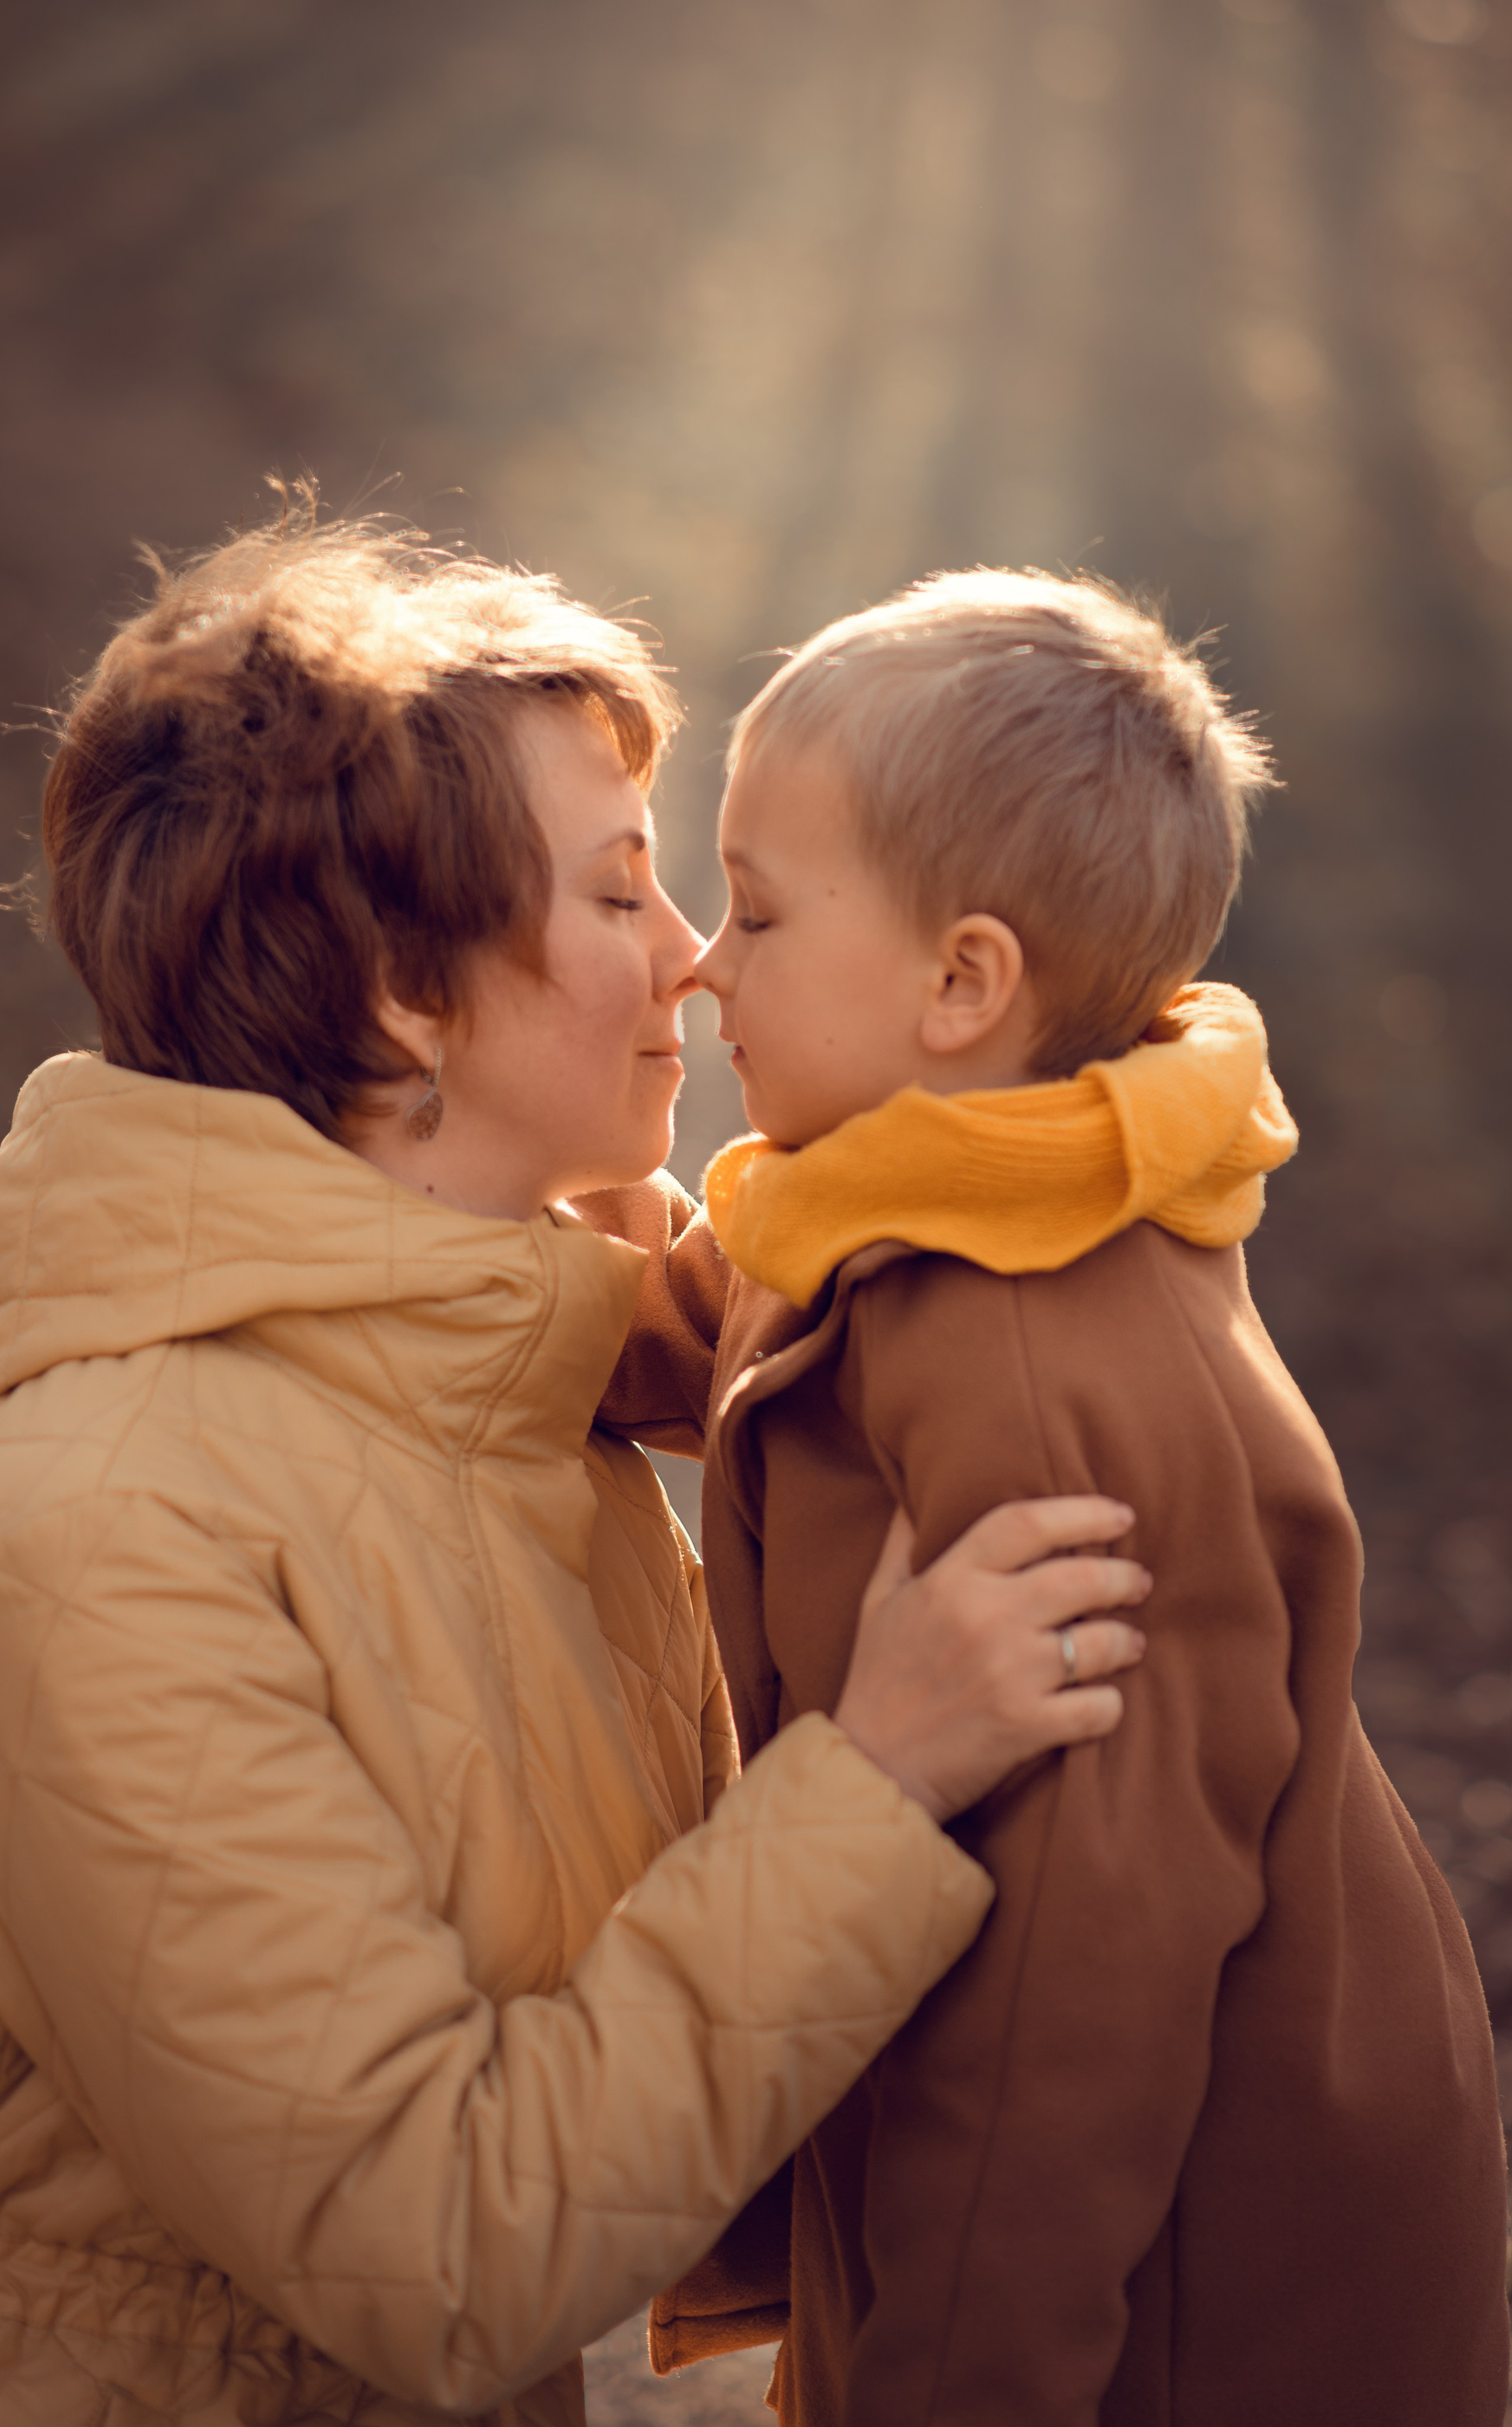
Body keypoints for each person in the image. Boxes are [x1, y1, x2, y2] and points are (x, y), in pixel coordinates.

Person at [0, 517, 1153, 2427]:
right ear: (401, 987)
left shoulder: (505, 1407)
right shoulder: (87, 1537)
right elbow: (444, 2251)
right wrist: (882, 1776)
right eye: (625, 893)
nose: (695, 964)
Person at [592, 572, 1509, 2426]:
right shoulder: (902, 1190)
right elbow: (667, 1323)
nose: (701, 963)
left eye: (756, 911)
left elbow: (1065, 2030)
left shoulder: (1039, 1397)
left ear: (964, 982)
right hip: (1047, 2133)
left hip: (1203, 2282)